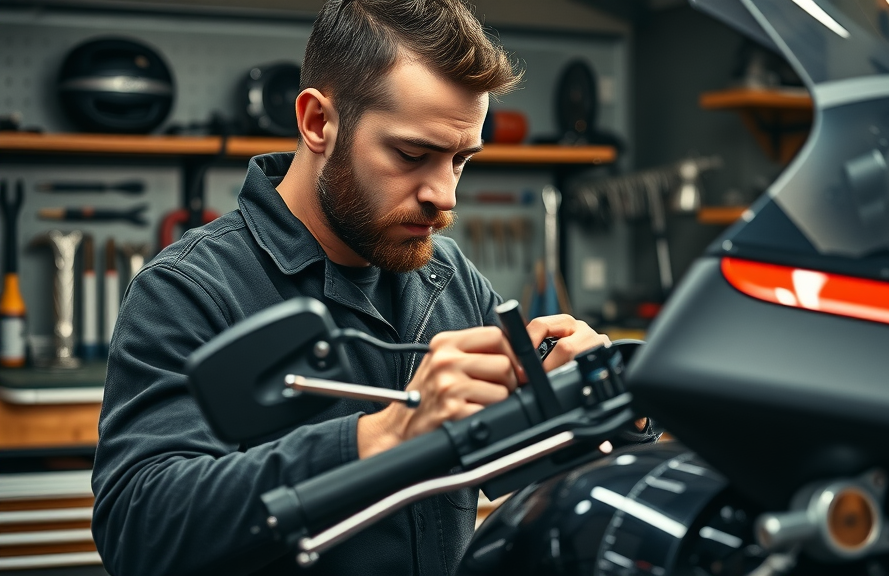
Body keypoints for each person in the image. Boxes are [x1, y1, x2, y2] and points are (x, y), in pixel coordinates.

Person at [91, 0, 654, 574]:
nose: (445, 194)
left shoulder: (448, 275)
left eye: (460, 160)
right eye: (413, 154)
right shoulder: (189, 289)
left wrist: (600, 410)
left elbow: (523, 465)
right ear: (317, 123)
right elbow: (139, 530)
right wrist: (385, 434)